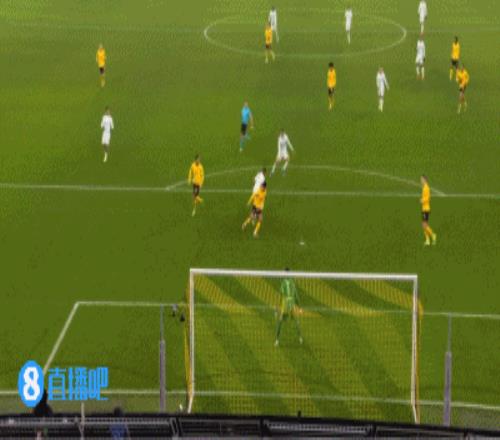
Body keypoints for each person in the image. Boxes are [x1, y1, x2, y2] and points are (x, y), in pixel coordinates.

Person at [275, 268, 303, 346]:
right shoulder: (292, 283)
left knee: (280, 322)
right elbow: (296, 296)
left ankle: (277, 340)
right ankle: (300, 338)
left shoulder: (283, 283)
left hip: (285, 305)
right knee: (296, 321)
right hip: (292, 304)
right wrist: (300, 307)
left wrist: (277, 307)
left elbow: (280, 296)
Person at [420, 175, 437, 246]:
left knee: (424, 225)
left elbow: (428, 198)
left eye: (422, 179)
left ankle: (433, 235)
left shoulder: (426, 188)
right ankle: (427, 240)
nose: (421, 181)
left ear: (425, 180)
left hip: (426, 209)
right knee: (424, 225)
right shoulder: (424, 187)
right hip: (424, 208)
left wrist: (422, 200)